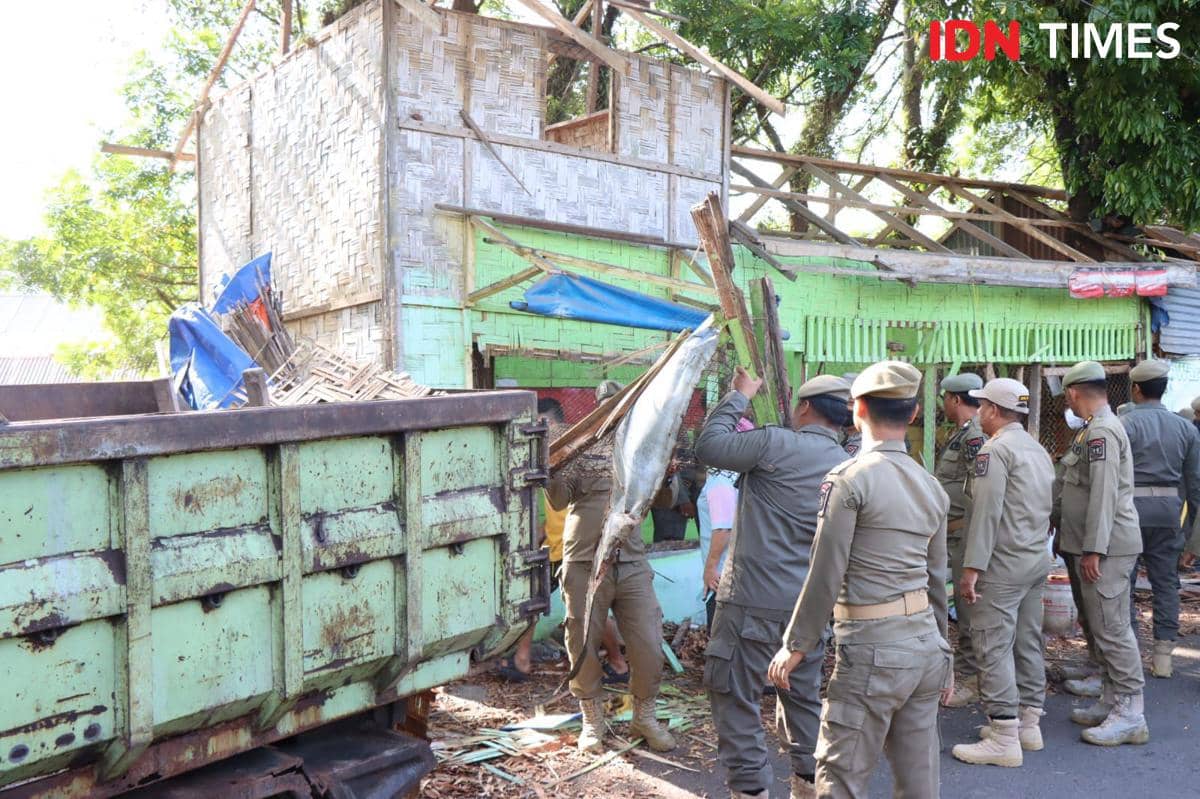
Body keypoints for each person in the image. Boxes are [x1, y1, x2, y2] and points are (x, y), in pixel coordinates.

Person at [769, 361, 952, 799]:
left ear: (857, 410)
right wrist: (945, 652)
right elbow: (935, 580)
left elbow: (825, 572)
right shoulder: (931, 486)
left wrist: (796, 645)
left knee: (841, 777)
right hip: (926, 648)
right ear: (911, 415)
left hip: (874, 650)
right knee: (919, 781)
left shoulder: (849, 480)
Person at [696, 370, 851, 799]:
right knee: (800, 693)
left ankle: (749, 790)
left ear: (804, 407)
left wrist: (739, 395)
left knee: (733, 694)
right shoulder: (848, 461)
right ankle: (808, 784)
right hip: (809, 606)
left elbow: (709, 445)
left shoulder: (775, 444)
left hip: (751, 599)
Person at [548, 381, 675, 753]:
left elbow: (666, 499)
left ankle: (644, 717)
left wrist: (668, 473)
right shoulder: (581, 447)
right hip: (585, 561)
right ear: (600, 410)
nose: (616, 413)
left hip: (631, 560)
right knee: (582, 643)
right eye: (609, 407)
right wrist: (551, 464)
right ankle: (593, 721)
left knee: (649, 643)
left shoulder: (645, 448)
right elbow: (558, 500)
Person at [949, 378, 1053, 767]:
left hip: (1002, 564)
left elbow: (986, 513)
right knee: (1026, 641)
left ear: (992, 410)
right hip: (1034, 560)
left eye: (982, 407)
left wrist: (971, 568)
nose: (979, 413)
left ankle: (1004, 734)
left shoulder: (995, 452)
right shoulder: (1036, 448)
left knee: (991, 644)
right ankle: (1028, 724)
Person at [1051, 361, 1149, 746]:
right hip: (1089, 546)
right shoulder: (1092, 430)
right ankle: (1112, 698)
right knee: (1097, 626)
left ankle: (1131, 713)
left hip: (1105, 548)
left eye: (1068, 399)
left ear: (1074, 393)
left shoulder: (1103, 432)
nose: (1069, 405)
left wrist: (1094, 548)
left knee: (1111, 628)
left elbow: (1105, 494)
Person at [1120, 359, 1200, 678]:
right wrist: (1192, 538)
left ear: (1136, 389)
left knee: (1122, 583)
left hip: (1127, 513)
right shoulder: (1185, 428)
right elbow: (1195, 488)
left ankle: (1126, 652)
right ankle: (1164, 656)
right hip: (1168, 514)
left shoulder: (1122, 424)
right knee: (1165, 583)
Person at [497, 398, 568, 682]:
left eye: (542, 425)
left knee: (589, 610)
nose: (539, 431)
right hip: (554, 546)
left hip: (571, 548)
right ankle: (522, 659)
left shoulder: (569, 455)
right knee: (532, 603)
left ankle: (616, 660)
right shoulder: (547, 457)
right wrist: (537, 535)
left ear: (553, 424)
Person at [935, 372, 988, 707]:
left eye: (944, 398)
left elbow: (979, 489)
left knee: (970, 611)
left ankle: (973, 678)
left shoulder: (974, 437)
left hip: (964, 533)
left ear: (954, 399)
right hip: (954, 532)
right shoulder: (964, 434)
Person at [697, 418, 753, 633]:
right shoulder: (740, 476)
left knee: (721, 638)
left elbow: (723, 529)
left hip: (722, 576)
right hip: (741, 573)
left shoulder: (720, 482)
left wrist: (710, 568)